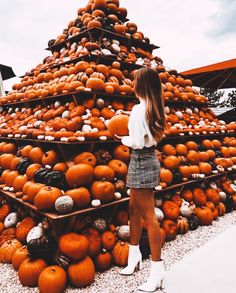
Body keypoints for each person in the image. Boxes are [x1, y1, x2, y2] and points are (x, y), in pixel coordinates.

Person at [116, 67, 166, 292]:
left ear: (141, 85)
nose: (131, 83)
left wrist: (120, 137)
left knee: (148, 216)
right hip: (146, 159)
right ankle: (133, 258)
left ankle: (157, 272)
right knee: (134, 209)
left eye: (134, 80)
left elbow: (136, 141)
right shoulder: (153, 107)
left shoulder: (138, 109)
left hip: (140, 159)